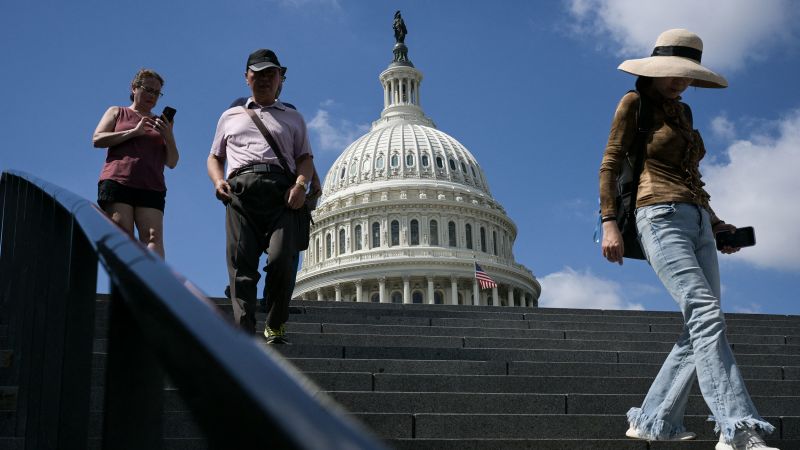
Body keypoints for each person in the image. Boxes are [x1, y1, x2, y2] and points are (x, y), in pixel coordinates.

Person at [599, 29, 778, 450]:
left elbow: (691, 178)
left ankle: (654, 420)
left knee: (701, 321)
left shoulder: (684, 113)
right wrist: (609, 222)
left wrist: (716, 225)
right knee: (705, 313)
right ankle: (737, 429)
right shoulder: (634, 103)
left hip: (696, 218)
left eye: (687, 75)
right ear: (655, 69)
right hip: (657, 214)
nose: (679, 81)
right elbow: (609, 164)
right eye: (672, 73)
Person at [207, 49, 314, 344]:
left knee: (282, 259)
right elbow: (214, 157)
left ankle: (275, 322)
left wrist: (301, 184)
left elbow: (305, 159)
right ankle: (244, 331)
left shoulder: (293, 117)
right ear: (246, 78)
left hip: (283, 194)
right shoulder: (229, 116)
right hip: (241, 192)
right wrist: (218, 181)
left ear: (280, 77)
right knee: (241, 267)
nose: (265, 79)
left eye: (271, 73)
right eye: (258, 74)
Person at [92, 68, 179, 258]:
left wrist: (168, 135)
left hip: (152, 186)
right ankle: (125, 286)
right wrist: (133, 132)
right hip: (118, 182)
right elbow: (97, 139)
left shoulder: (160, 123)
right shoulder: (117, 111)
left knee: (153, 237)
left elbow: (172, 162)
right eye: (148, 89)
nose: (152, 96)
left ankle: (154, 284)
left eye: (156, 93)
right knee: (124, 236)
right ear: (134, 88)